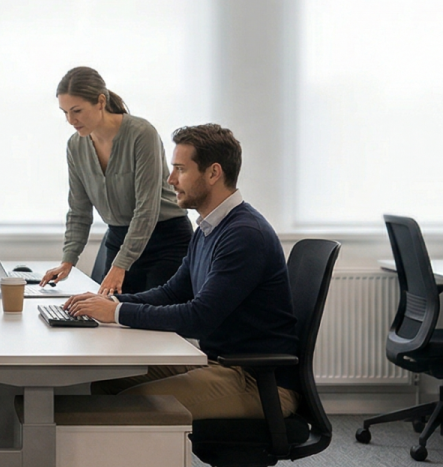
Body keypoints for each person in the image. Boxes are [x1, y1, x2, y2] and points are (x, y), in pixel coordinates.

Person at [63, 124, 301, 420]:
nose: (171, 179)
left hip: (257, 380)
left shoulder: (244, 235)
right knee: (108, 375)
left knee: (135, 405)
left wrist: (115, 314)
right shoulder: (208, 228)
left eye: (180, 169)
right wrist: (109, 304)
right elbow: (172, 292)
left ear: (213, 173)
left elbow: (199, 318)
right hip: (219, 364)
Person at [41, 66, 191, 296]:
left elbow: (146, 209)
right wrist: (68, 261)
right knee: (106, 320)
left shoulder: (142, 134)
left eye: (77, 110)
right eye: (65, 112)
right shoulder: (76, 145)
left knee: (152, 323)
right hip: (120, 237)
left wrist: (120, 266)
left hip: (165, 240)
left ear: (100, 102)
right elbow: (79, 211)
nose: (71, 120)